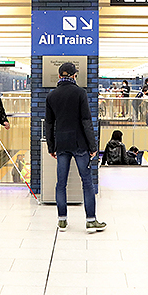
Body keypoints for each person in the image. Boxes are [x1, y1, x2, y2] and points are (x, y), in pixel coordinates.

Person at [45, 62, 106, 233]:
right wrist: (93, 146)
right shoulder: (80, 93)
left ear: (59, 76)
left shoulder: (51, 96)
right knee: (86, 182)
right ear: (73, 75)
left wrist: (51, 146)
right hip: (80, 144)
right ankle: (91, 221)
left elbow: (49, 124)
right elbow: (86, 121)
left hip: (61, 144)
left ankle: (62, 220)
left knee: (61, 183)